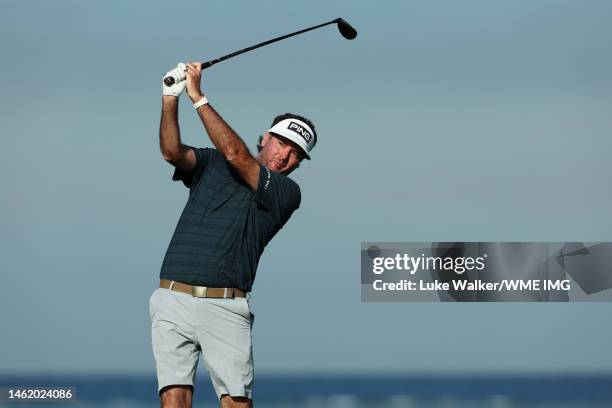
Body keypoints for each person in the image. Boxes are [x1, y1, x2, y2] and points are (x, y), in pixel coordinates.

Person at [149, 62, 317, 408]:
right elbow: (171, 152)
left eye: (296, 154)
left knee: (236, 403)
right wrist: (171, 97)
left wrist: (197, 97)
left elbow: (237, 155)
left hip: (225, 304)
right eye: (283, 143)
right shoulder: (212, 164)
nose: (286, 156)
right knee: (173, 397)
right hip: (172, 294)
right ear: (266, 138)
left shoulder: (286, 192)